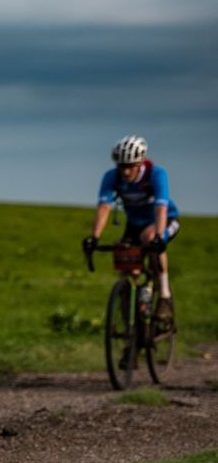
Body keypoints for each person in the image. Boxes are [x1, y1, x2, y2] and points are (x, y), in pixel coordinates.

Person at [83, 135, 180, 327]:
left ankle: (165, 297)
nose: (126, 171)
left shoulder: (156, 174)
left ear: (140, 162)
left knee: (150, 239)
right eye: (121, 166)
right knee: (127, 264)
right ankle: (132, 330)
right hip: (135, 224)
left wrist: (159, 237)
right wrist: (94, 237)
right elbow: (104, 207)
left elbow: (161, 207)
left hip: (165, 220)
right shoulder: (112, 177)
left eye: (130, 166)